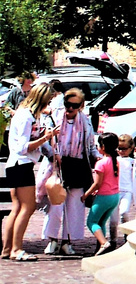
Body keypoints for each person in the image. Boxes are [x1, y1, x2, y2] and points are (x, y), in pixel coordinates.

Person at [2, 83, 58, 261]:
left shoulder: (24, 114)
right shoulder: (27, 117)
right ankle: (17, 249)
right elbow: (23, 147)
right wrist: (45, 138)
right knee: (28, 206)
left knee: (17, 207)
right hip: (21, 163)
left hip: (15, 164)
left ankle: (7, 248)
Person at [42, 87, 95, 256]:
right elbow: (44, 142)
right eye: (67, 104)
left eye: (74, 105)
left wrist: (99, 158)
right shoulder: (55, 118)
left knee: (74, 207)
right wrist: (53, 154)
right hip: (58, 166)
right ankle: (52, 240)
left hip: (78, 165)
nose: (70, 108)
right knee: (56, 205)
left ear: (81, 106)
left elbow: (90, 145)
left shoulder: (85, 122)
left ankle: (67, 241)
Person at [82, 133, 120, 255]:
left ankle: (104, 243)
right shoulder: (116, 161)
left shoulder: (101, 163)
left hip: (104, 197)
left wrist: (86, 194)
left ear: (103, 147)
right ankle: (101, 247)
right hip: (114, 196)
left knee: (91, 222)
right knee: (101, 222)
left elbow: (97, 184)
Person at [107, 135, 136, 246]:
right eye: (119, 148)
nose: (121, 151)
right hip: (114, 191)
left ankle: (126, 236)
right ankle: (113, 240)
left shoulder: (132, 161)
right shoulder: (114, 159)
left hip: (127, 191)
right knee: (113, 219)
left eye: (124, 149)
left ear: (131, 148)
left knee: (124, 213)